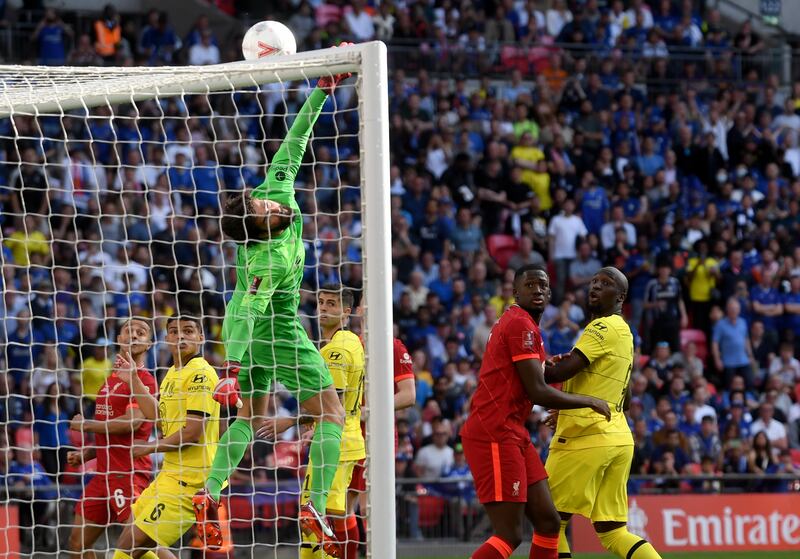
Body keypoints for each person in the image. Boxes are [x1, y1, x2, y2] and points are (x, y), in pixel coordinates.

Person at [191, 61, 352, 555]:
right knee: (332, 415)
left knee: (250, 418)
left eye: (262, 204)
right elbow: (245, 304)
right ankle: (316, 507)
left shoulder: (274, 191)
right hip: (275, 330)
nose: (269, 206)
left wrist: (322, 91)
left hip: (257, 341)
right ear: (256, 232)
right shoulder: (271, 258)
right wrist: (232, 367)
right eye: (261, 212)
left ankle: (209, 493)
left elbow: (296, 141)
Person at [460, 264, 611, 559]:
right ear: (515, 292)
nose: (537, 290)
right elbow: (537, 391)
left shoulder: (525, 326)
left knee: (548, 521)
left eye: (542, 285)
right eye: (529, 285)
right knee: (509, 535)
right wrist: (589, 400)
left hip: (513, 431)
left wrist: (547, 366)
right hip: (495, 431)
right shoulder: (520, 324)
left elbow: (533, 377)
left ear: (551, 292)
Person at [544, 267, 662, 559]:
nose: (595, 286)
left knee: (548, 521)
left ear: (620, 297)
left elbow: (559, 372)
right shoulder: (625, 332)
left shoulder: (601, 327)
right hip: (619, 438)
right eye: (594, 282)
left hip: (586, 436)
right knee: (613, 531)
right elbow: (626, 392)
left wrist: (526, 359)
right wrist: (566, 405)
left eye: (605, 283)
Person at [257, 285, 365, 559]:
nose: (324, 308)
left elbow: (332, 406)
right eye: (321, 303)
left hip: (336, 442)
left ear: (347, 311)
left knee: (315, 519)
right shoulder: (351, 341)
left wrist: (289, 421)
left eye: (332, 303)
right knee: (331, 515)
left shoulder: (336, 351)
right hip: (345, 439)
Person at [110, 316, 220, 559]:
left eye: (188, 331)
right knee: (129, 542)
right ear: (166, 338)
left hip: (191, 482)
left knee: (126, 551)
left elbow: (192, 433)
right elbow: (157, 416)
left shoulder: (201, 374)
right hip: (170, 475)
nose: (180, 336)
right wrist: (134, 380)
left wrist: (149, 448)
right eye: (174, 331)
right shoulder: (172, 372)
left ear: (201, 337)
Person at [67, 318, 158, 559]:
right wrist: (87, 454)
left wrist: (85, 424)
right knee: (77, 544)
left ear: (149, 344)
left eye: (142, 332)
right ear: (118, 339)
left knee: (141, 545)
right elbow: (108, 433)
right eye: (129, 331)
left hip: (128, 474)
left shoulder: (145, 381)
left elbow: (132, 422)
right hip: (102, 477)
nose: (135, 335)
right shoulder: (109, 381)